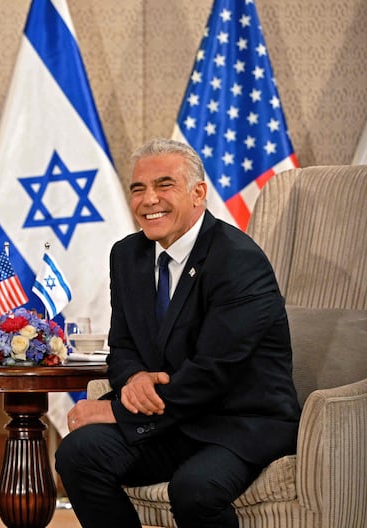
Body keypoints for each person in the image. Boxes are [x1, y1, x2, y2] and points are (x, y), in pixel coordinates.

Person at [55, 138, 300, 528]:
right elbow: (121, 346)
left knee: (195, 489)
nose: (149, 199)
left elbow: (213, 373)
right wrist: (133, 378)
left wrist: (115, 411)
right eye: (138, 188)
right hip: (171, 423)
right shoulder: (126, 255)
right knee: (77, 454)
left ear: (198, 193)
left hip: (237, 423)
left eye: (164, 185)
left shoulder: (238, 260)